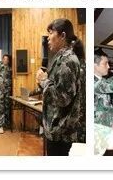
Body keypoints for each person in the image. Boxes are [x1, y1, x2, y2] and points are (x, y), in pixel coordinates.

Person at [36, 19, 85, 155]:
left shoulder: (67, 60)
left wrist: (44, 81)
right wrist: (43, 82)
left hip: (61, 132)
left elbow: (62, 99)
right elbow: (57, 88)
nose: (48, 38)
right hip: (56, 128)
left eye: (51, 33)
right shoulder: (61, 58)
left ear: (62, 35)